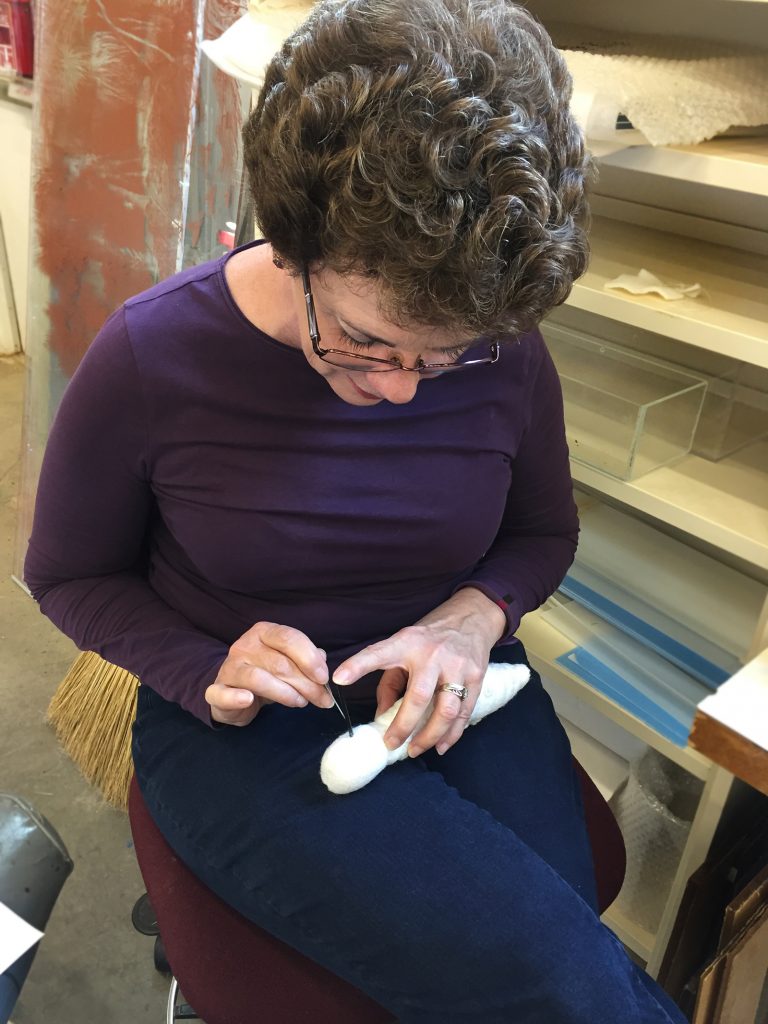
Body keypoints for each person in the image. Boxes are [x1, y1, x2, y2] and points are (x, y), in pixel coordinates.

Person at [24, 1, 687, 1020]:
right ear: (292, 242)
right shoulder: (152, 355)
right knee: (557, 981)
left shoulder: (508, 353)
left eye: (445, 357)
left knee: (556, 950)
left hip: (448, 684)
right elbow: (69, 573)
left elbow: (540, 532)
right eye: (364, 341)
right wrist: (204, 667)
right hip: (244, 725)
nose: (401, 390)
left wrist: (468, 623)